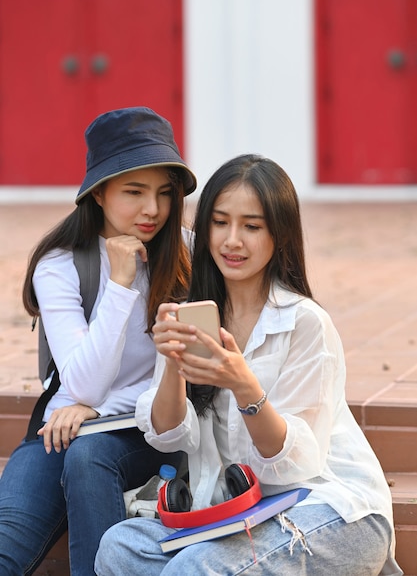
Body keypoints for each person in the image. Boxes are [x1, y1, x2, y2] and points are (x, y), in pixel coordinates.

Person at [95, 154, 403, 576]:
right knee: (119, 547)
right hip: (242, 515)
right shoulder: (191, 315)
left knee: (193, 569)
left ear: (280, 236)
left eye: (251, 226)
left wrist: (245, 388)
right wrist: (172, 365)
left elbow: (295, 465)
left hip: (329, 510)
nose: (232, 240)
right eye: (220, 222)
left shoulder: (304, 323)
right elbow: (167, 436)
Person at [0, 107, 197, 576]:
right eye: (134, 191)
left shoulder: (189, 254)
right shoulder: (60, 263)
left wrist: (96, 409)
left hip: (149, 428)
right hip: (60, 430)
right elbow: (84, 383)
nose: (153, 209)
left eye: (164, 193)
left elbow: (97, 393)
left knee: (91, 454)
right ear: (100, 192)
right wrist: (120, 284)